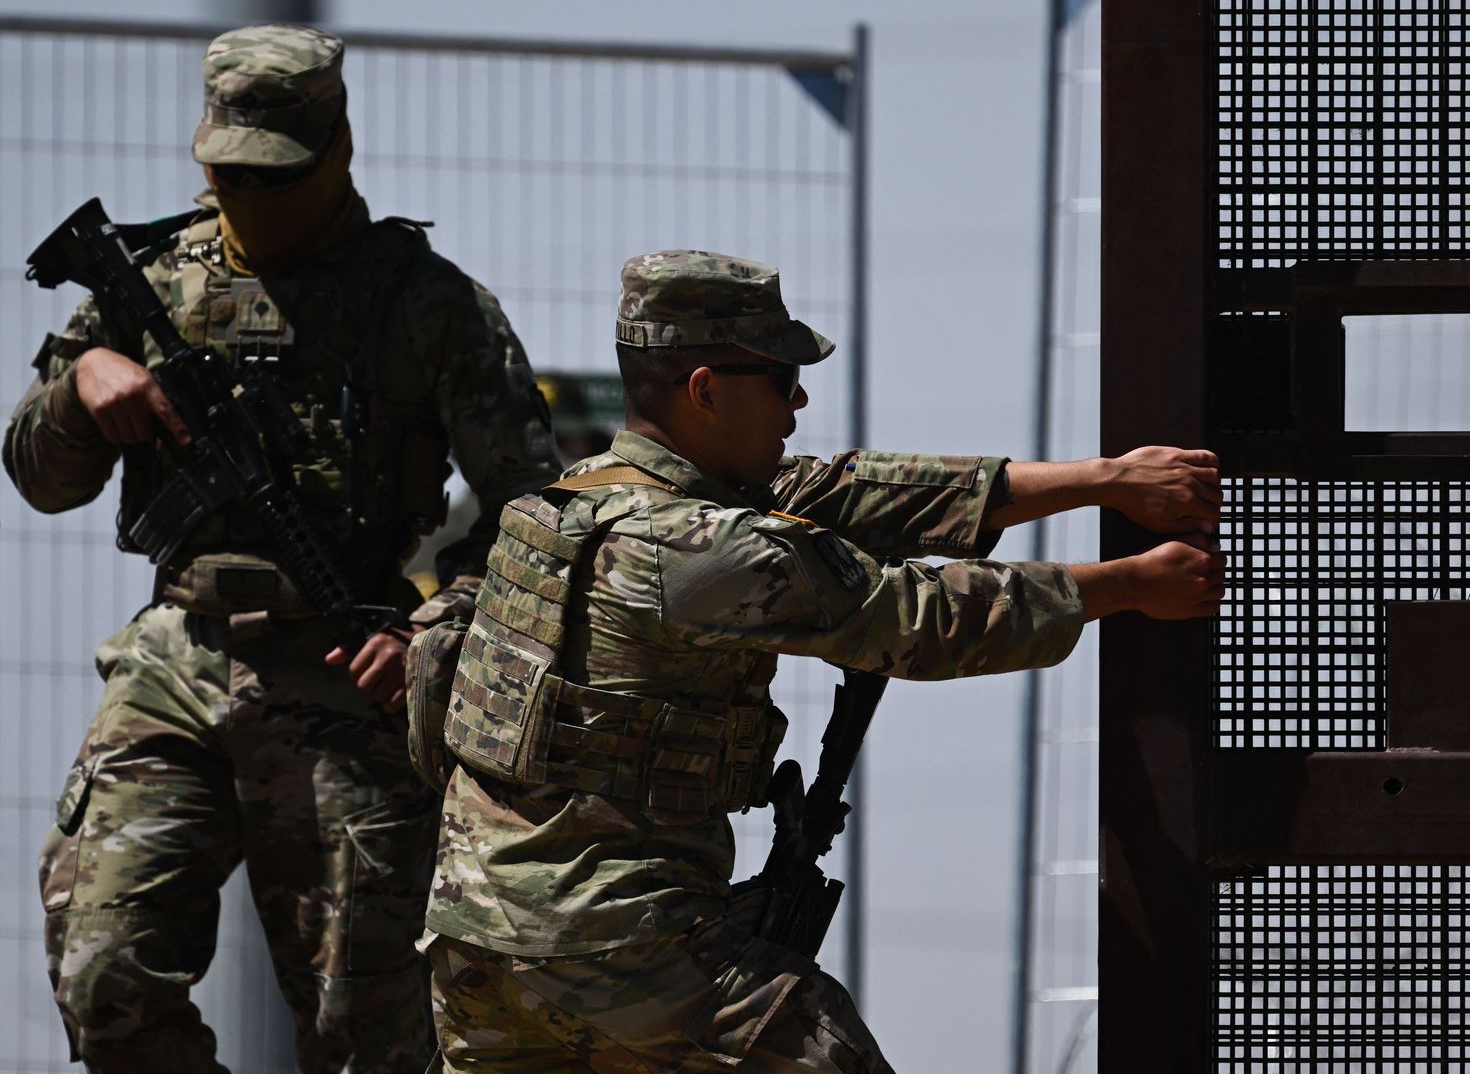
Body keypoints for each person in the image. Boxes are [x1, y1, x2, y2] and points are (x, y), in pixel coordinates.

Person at [421, 249, 1223, 1071]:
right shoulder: (707, 549)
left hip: (475, 955)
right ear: (706, 389)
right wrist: (1130, 585)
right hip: (623, 951)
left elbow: (848, 489)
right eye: (779, 379)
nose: (799, 400)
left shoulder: (572, 503)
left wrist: (1106, 481)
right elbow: (916, 619)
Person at [3, 24, 561, 1072]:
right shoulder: (149, 282)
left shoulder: (427, 304)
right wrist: (80, 392)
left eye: (275, 178)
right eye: (226, 175)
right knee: (104, 971)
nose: (246, 200)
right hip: (174, 662)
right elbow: (40, 476)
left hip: (346, 675)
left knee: (371, 1031)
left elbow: (535, 520)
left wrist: (435, 628)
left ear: (338, 153)